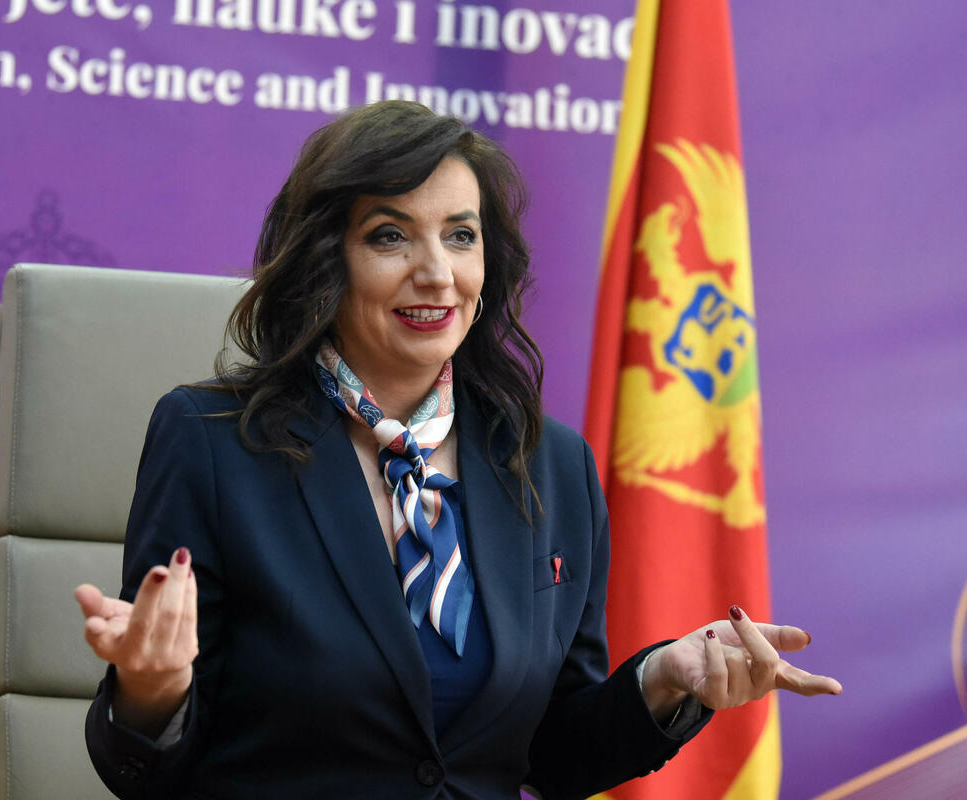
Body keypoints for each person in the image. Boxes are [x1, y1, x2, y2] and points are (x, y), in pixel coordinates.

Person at [74, 101, 841, 800]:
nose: (437, 273)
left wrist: (663, 680)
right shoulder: (212, 442)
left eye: (461, 236)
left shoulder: (552, 467)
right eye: (390, 235)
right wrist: (152, 690)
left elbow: (552, 755)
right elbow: (142, 768)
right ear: (326, 258)